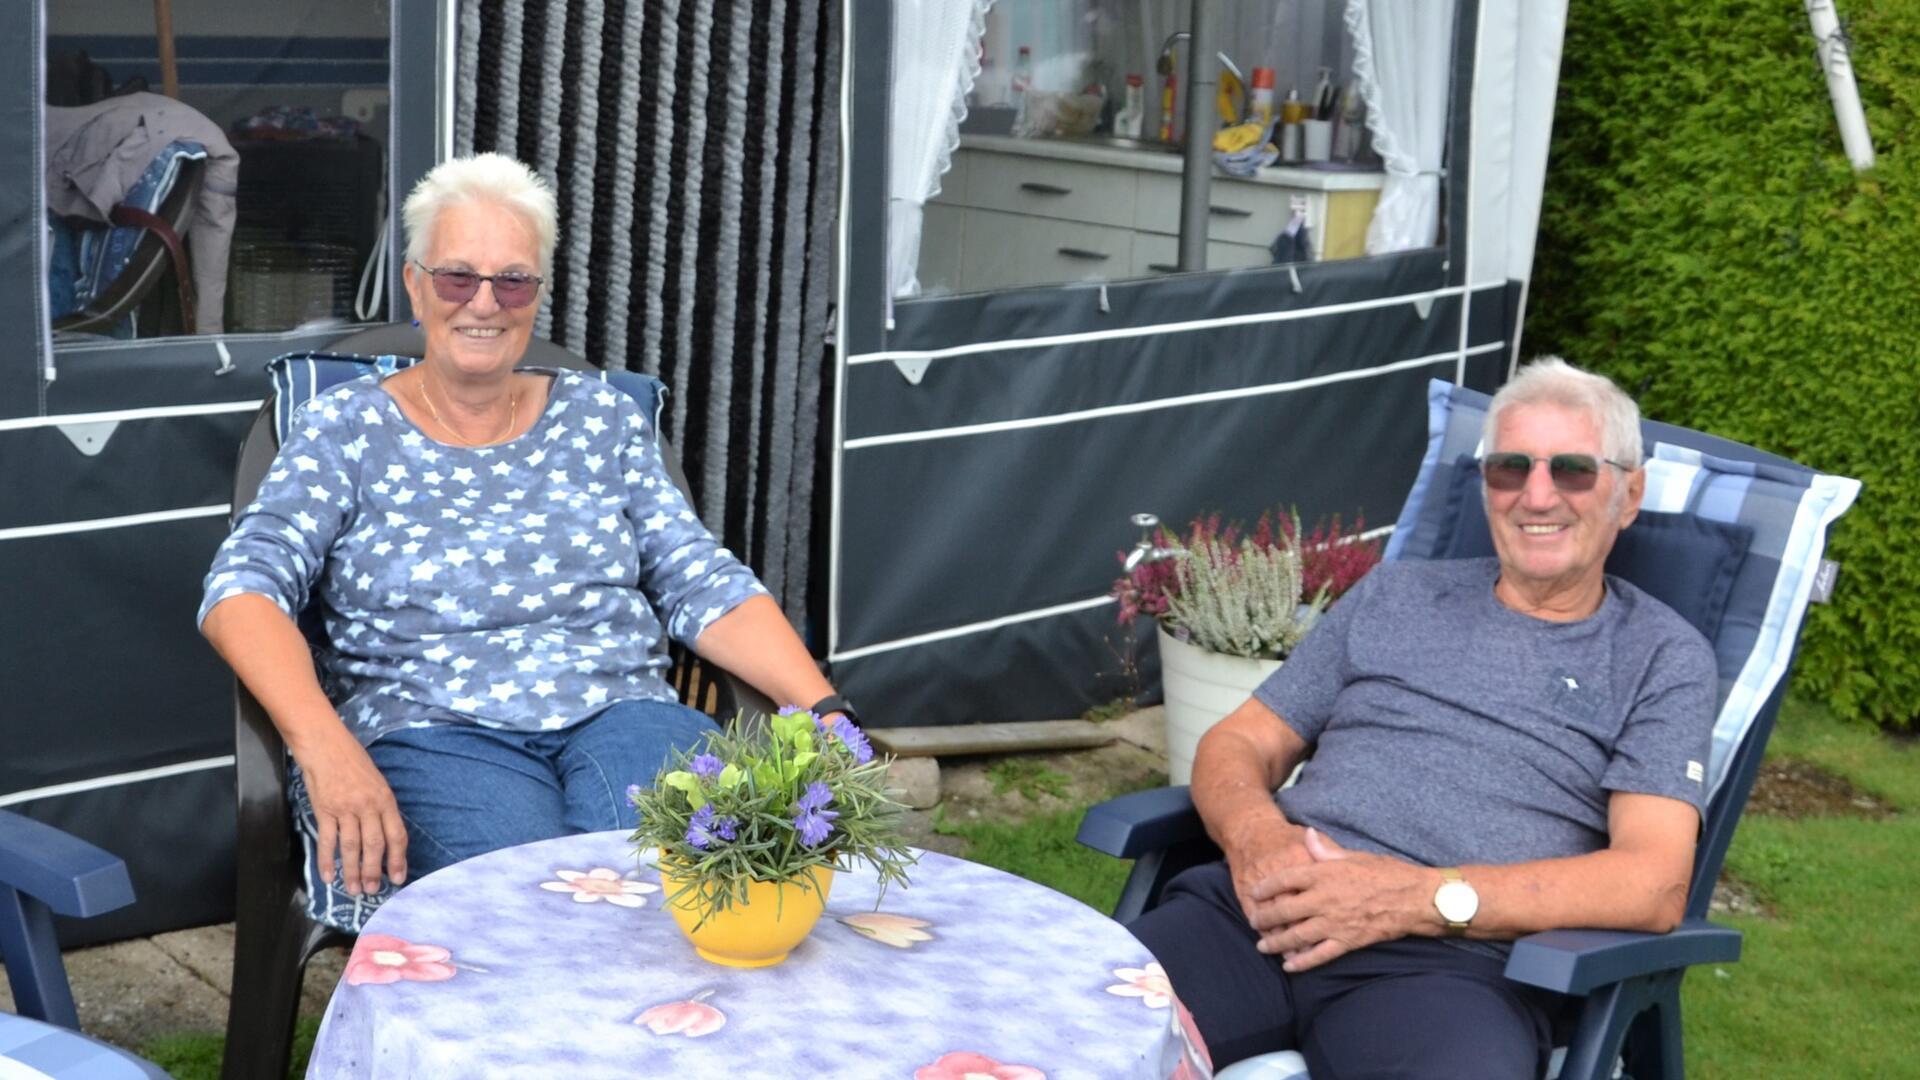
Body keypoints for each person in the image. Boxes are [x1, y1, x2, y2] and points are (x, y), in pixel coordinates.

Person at [200, 153, 850, 900]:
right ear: (415, 284)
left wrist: (824, 710)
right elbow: (242, 590)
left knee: (679, 874)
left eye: (511, 279)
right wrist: (323, 745)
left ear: (536, 294)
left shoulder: (602, 419)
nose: (484, 303)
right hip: (431, 730)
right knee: (536, 899)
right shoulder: (344, 429)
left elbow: (698, 578)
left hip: (623, 713)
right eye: (457, 277)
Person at [1128, 358, 1718, 1078]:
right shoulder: (1399, 595)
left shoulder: (1661, 656)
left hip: (1448, 968)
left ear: (1629, 494)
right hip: (1265, 911)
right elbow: (1241, 739)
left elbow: (1652, 881)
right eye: (1509, 468)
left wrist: (1419, 898)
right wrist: (1258, 840)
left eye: (1571, 470)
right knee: (1061, 1033)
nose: (1537, 495)